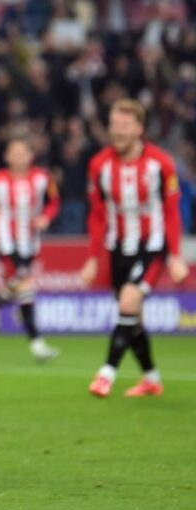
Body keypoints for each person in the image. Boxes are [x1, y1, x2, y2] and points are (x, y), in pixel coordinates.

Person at [81, 99, 188, 398]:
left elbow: (171, 212)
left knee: (128, 303)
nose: (118, 132)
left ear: (140, 129)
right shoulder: (99, 165)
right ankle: (151, 379)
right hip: (118, 249)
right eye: (114, 125)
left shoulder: (161, 163)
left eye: (125, 126)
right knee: (133, 318)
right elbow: (98, 215)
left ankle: (106, 374)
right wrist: (93, 258)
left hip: (152, 247)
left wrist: (175, 255)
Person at [0, 136, 61, 362]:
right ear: (6, 156)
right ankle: (37, 344)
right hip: (5, 241)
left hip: (30, 242)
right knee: (25, 286)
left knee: (17, 287)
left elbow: (54, 202)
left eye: (21, 152)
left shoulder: (43, 178)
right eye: (13, 152)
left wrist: (46, 217)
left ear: (30, 155)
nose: (17, 156)